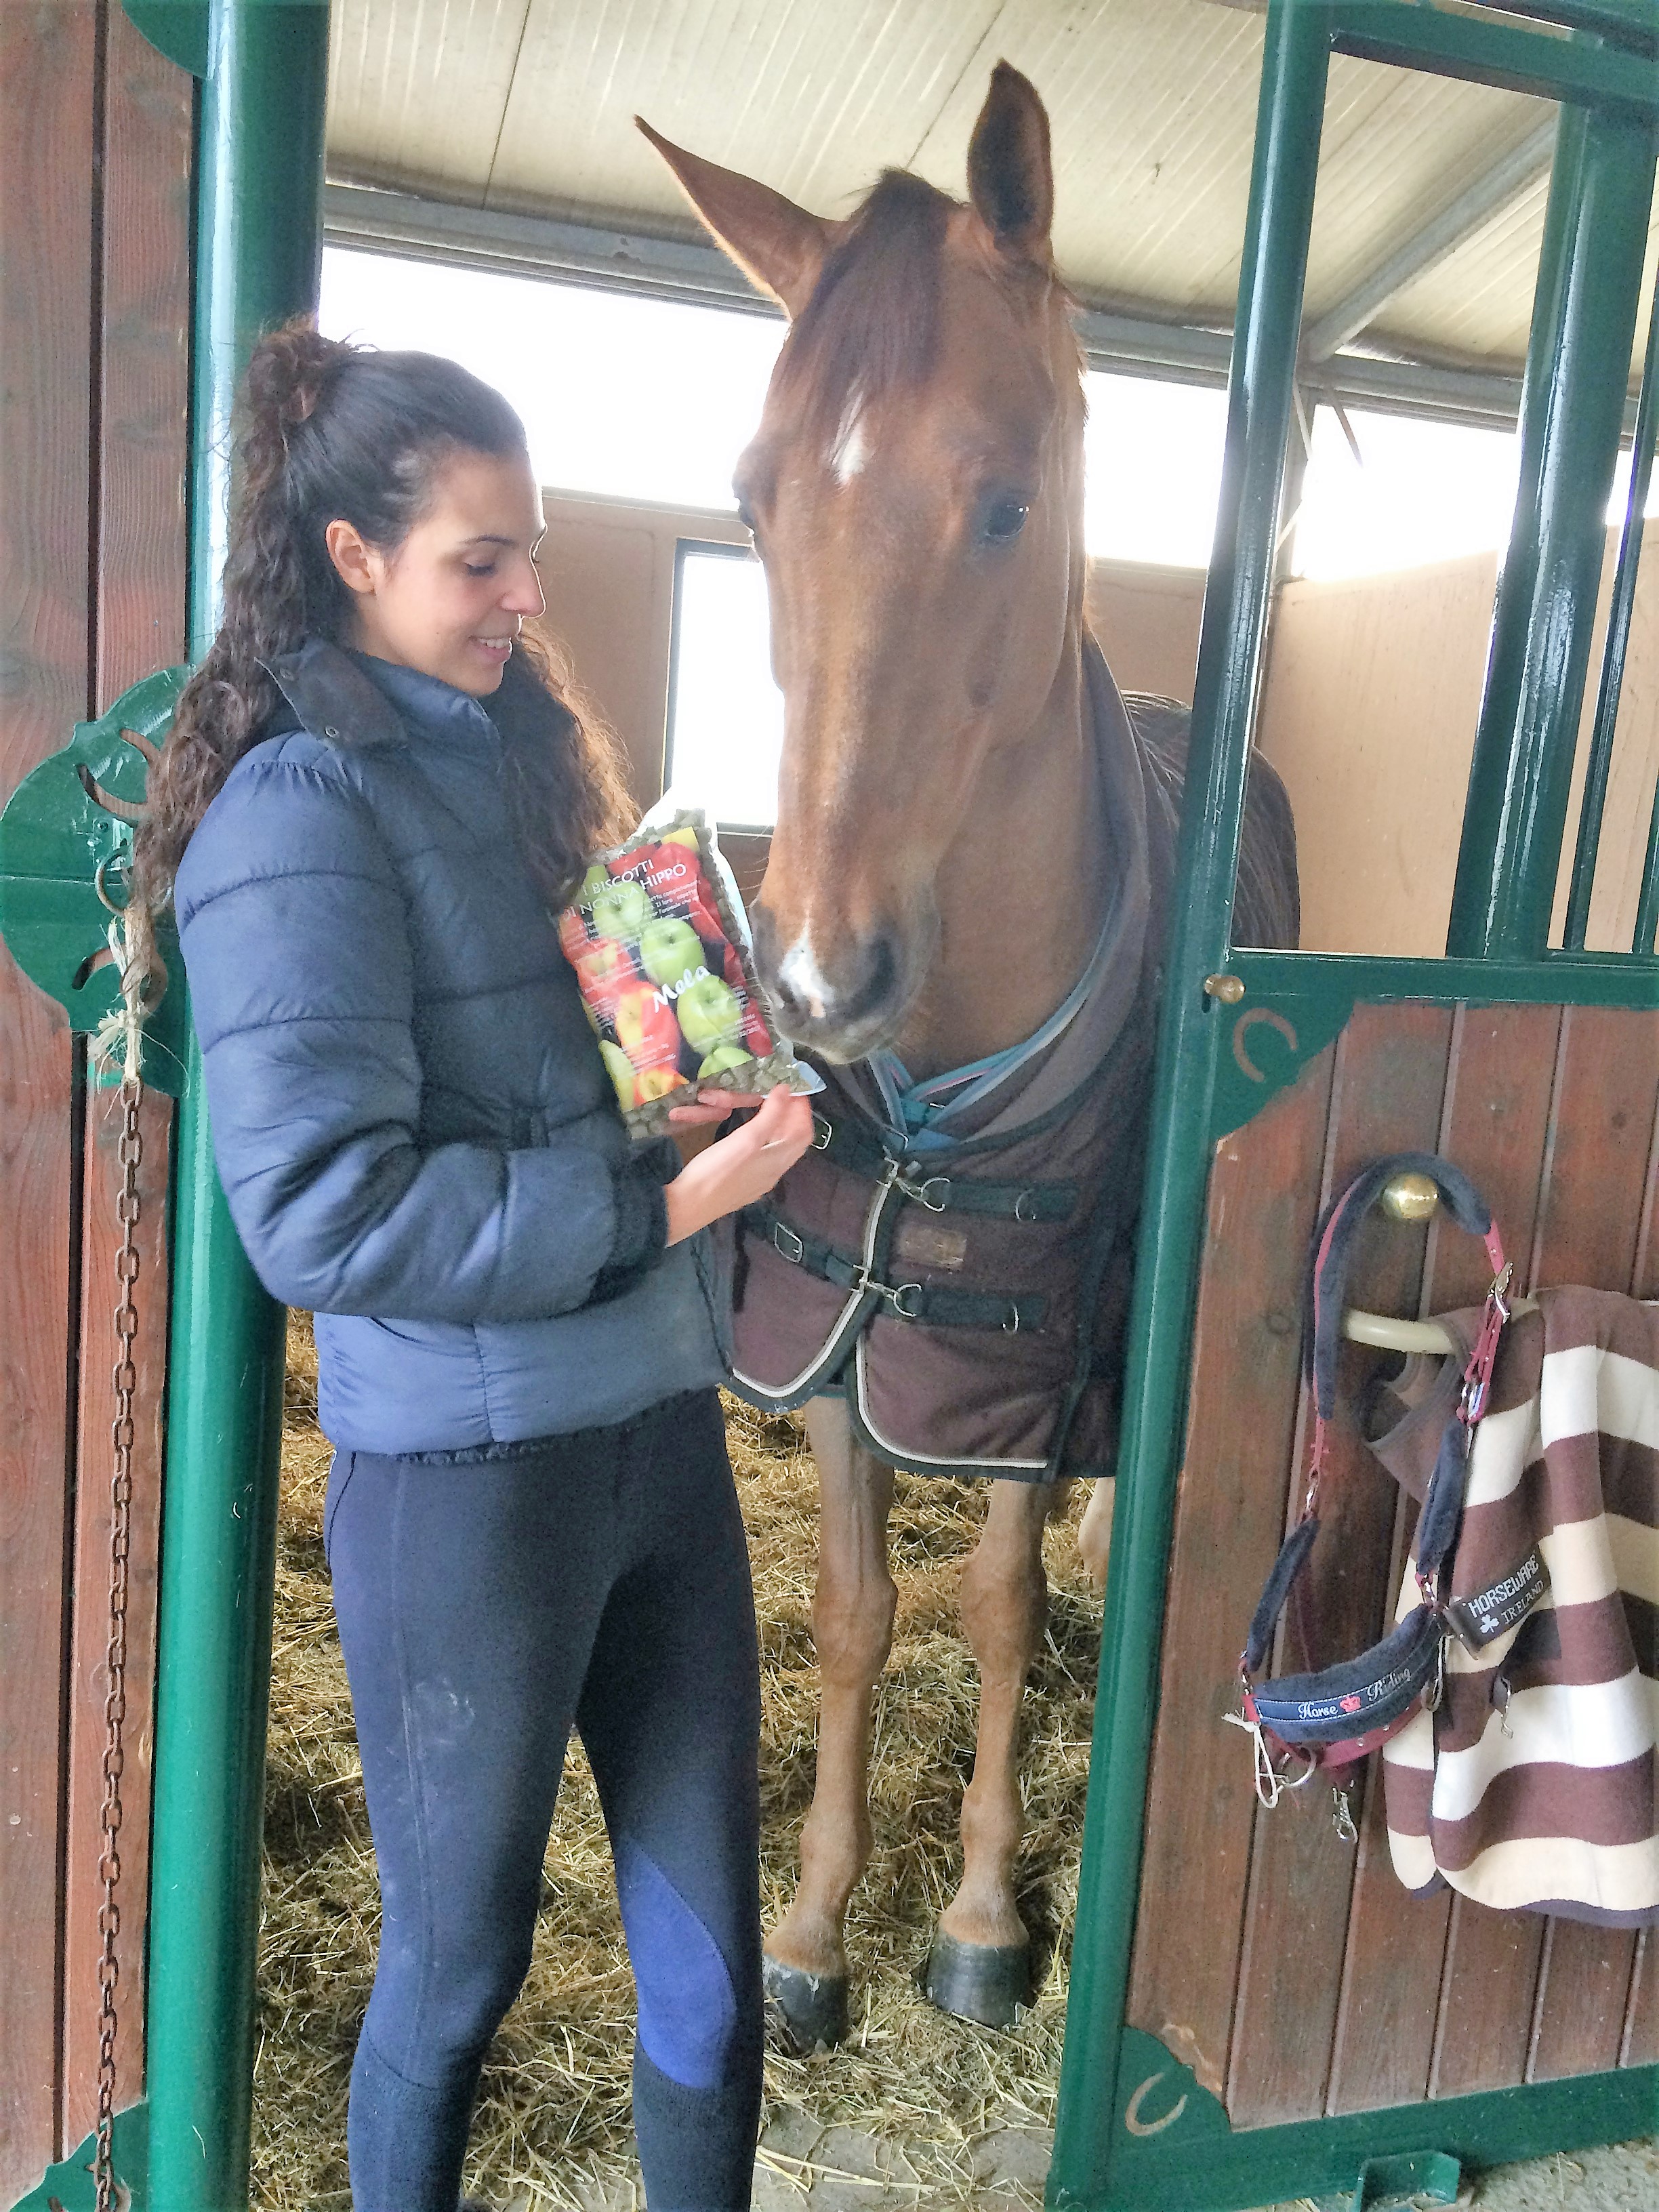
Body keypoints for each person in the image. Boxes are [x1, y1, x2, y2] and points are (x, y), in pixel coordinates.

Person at [134, 321, 815, 2212]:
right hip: (467, 1487)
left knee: (707, 1974)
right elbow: (324, 1213)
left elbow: (549, 1082)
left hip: (659, 1448)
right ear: (352, 554)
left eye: (530, 550)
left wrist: (694, 1110)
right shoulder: (294, 814)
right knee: (460, 1976)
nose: (528, 592)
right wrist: (656, 1208)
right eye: (481, 561)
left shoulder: (514, 759)